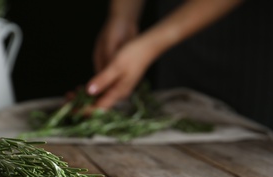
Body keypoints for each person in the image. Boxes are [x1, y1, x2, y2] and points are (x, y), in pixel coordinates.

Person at [84, 0, 273, 128]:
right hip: (174, 38)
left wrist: (150, 45)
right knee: (177, 114)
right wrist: (123, 17)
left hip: (247, 43)